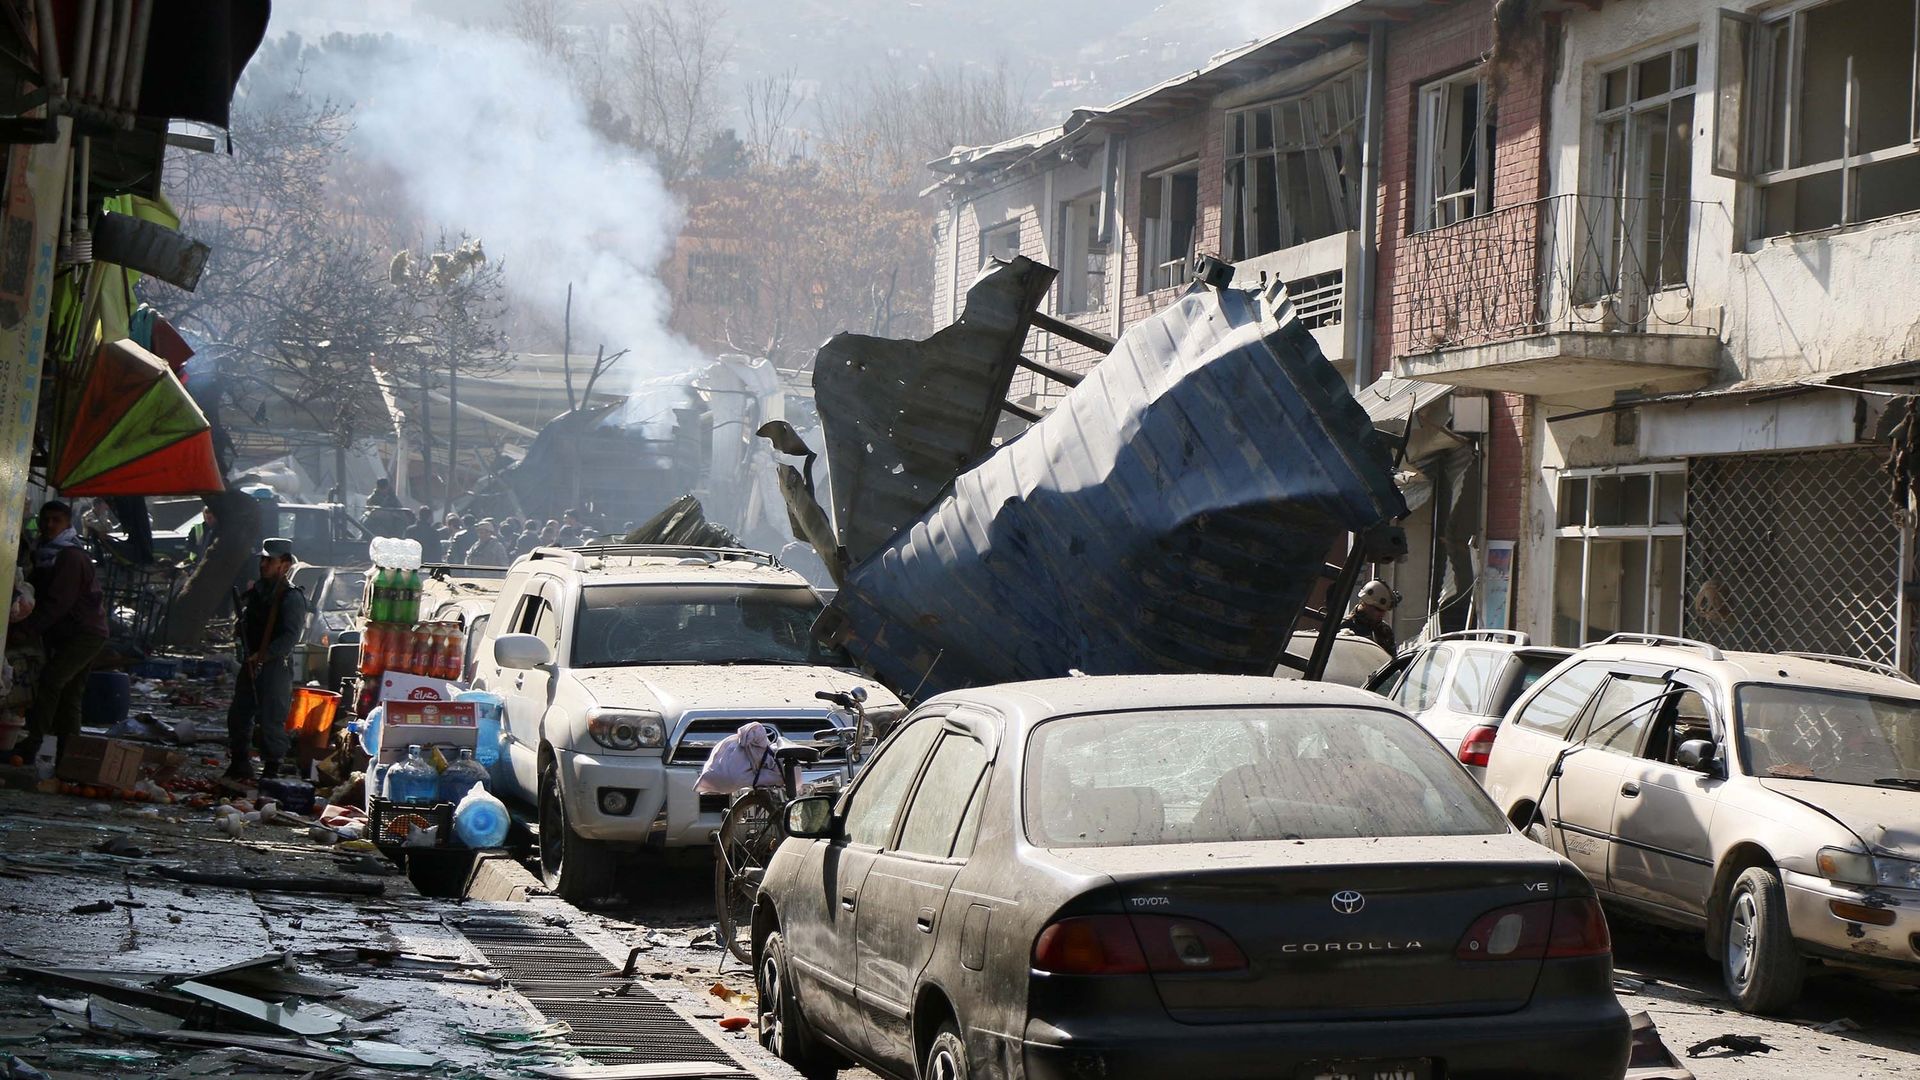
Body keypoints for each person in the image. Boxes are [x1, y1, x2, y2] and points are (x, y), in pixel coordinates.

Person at [14, 501, 110, 762]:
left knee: (52, 681)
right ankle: (70, 756)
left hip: (84, 633)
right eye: (46, 519)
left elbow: (58, 602)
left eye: (56, 520)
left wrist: (26, 630)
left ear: (68, 523)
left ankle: (34, 742)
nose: (49, 525)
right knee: (70, 695)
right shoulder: (45, 554)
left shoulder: (69, 556)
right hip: (77, 631)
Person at [225, 538, 307, 782]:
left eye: (269, 560)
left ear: (284, 564)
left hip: (274, 667)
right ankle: (240, 764)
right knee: (238, 715)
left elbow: (290, 637)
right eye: (263, 559)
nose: (263, 564)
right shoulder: (258, 591)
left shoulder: (291, 597)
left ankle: (271, 771)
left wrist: (263, 655)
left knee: (271, 719)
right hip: (251, 663)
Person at [1340, 579, 1400, 654]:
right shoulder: (1344, 626)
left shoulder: (1385, 631)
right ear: (1365, 603)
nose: (1382, 614)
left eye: (1384, 611)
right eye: (1378, 609)